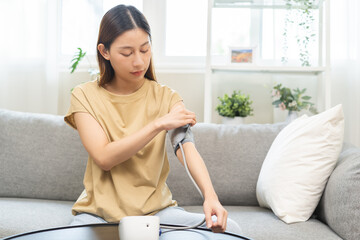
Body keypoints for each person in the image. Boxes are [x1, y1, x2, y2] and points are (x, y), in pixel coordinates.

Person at [64, 4, 242, 238]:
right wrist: (158, 124)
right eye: (127, 53)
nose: (139, 62)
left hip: (157, 215)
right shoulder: (84, 95)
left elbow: (185, 146)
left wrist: (211, 197)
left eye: (145, 50)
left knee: (232, 231)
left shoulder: (166, 97)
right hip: (98, 215)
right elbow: (105, 157)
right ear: (104, 51)